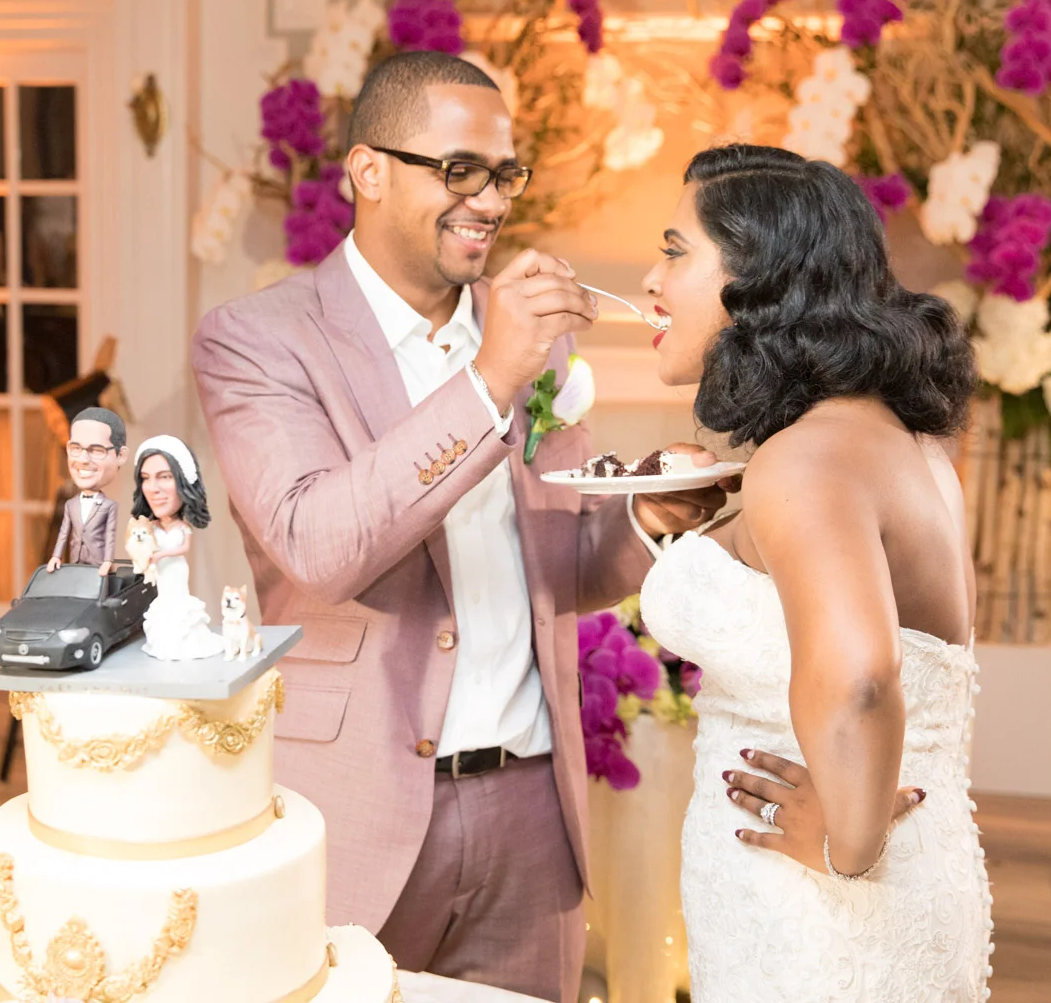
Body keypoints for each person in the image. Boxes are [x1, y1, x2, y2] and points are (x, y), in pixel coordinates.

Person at [191, 51, 727, 1002]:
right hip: (352, 811)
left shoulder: (535, 339)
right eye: (458, 170)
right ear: (367, 172)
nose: (490, 200)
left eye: (504, 174)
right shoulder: (259, 340)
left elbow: (562, 565)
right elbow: (317, 546)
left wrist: (645, 515)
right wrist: (489, 381)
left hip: (532, 814)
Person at [635, 144, 989, 1000]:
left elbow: (863, 676)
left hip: (819, 918)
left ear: (757, 278)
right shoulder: (897, 438)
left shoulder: (806, 459)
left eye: (675, 252)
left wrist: (847, 846)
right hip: (892, 884)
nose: (651, 279)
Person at [129, 435, 222, 661]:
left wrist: (161, 554)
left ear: (183, 482)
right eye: (145, 478)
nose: (153, 488)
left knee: (177, 602)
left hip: (176, 570)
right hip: (160, 573)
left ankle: (182, 640)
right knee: (163, 603)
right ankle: (165, 641)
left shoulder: (182, 527)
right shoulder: (149, 527)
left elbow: (183, 548)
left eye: (165, 476)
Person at [47, 406, 126, 577]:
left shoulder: (108, 505)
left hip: (98, 564)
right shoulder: (70, 503)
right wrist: (55, 556)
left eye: (96, 450)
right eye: (76, 448)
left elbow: (109, 535)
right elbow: (63, 534)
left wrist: (107, 561)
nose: (83, 458)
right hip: (75, 562)